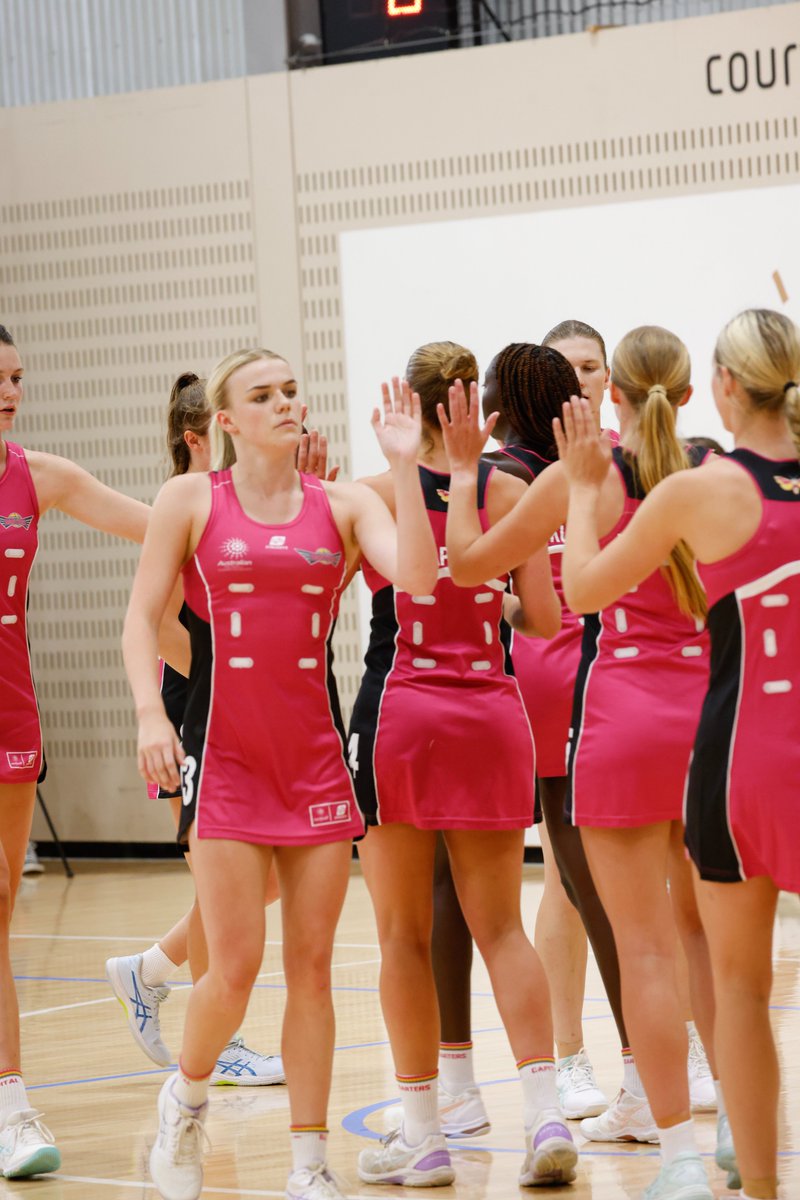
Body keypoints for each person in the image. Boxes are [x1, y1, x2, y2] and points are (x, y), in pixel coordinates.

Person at [122, 348, 438, 1200]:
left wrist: (405, 470)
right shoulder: (190, 500)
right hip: (222, 756)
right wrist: (152, 717)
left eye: (291, 391)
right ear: (225, 421)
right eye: (262, 396)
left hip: (313, 763)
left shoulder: (342, 504)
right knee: (232, 966)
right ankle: (184, 1099)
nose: (284, 404)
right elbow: (140, 619)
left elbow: (417, 577)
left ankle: (308, 1165)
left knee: (312, 967)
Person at [440, 325, 721, 1200]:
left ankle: (661, 1133)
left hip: (608, 711)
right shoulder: (714, 473)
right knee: (702, 938)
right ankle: (733, 1124)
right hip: (708, 715)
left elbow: (476, 568)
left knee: (627, 933)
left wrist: (456, 472)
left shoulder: (567, 478)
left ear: (615, 392)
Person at [555, 307, 800, 1200]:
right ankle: (743, 1144)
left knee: (696, 969)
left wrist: (580, 495)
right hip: (722, 728)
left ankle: (717, 1169)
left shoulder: (688, 488)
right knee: (711, 958)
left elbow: (573, 590)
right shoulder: (707, 471)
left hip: (706, 747)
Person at [349, 341, 578, 1190]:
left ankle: (426, 1135)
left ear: (405, 405)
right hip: (490, 710)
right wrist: (491, 594)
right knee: (503, 928)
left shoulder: (372, 494)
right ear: (472, 404)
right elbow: (546, 621)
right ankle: (547, 1111)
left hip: (401, 714)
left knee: (402, 936)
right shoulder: (510, 489)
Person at [0, 323, 150, 1178]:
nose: (11, 391)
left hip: (13, 713)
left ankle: (11, 1110)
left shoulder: (40, 476)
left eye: (18, 376)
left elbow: (153, 523)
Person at [106, 373, 284, 1085]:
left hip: (238, 702)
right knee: (224, 887)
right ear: (197, 438)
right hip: (195, 706)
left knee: (256, 880)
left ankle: (147, 971)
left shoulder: (232, 509)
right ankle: (219, 1041)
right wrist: (186, 706)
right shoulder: (181, 513)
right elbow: (170, 636)